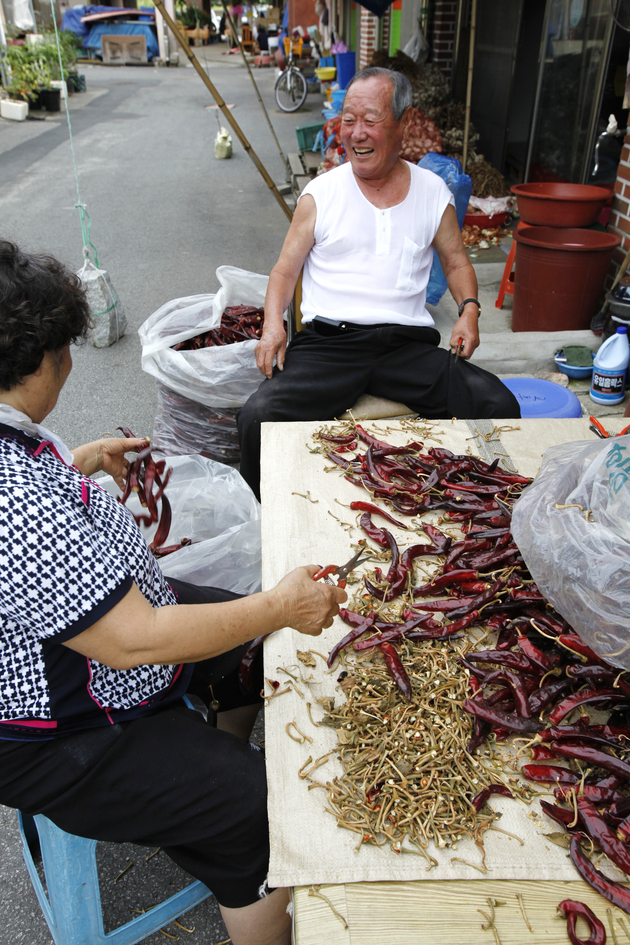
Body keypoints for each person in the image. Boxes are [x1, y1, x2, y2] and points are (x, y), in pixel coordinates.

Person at [0, 241, 345, 945]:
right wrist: (281, 604)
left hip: (95, 638)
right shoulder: (16, 502)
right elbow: (134, 639)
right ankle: (231, 824)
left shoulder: (16, 444)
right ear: (38, 361)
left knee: (242, 637)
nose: (70, 361)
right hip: (59, 732)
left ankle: (203, 771)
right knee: (260, 805)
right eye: (64, 347)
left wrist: (86, 459)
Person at [237, 67, 520, 501]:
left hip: (405, 349)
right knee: (257, 415)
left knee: (498, 404)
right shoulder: (321, 194)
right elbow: (283, 272)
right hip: (330, 347)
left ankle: (487, 509)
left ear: (404, 123)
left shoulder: (432, 193)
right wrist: (273, 324)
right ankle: (266, 518)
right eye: (348, 120)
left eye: (370, 119)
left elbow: (458, 262)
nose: (356, 133)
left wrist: (470, 311)